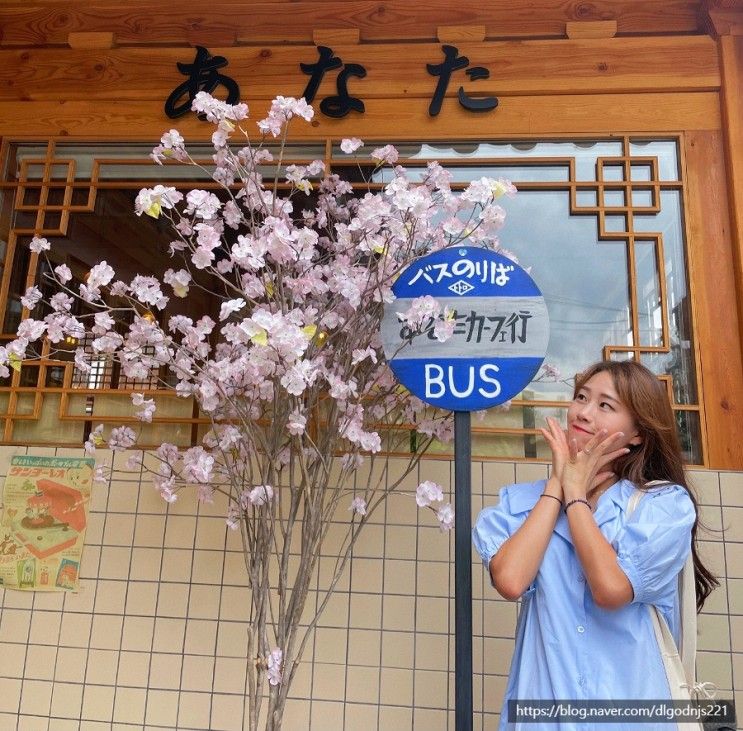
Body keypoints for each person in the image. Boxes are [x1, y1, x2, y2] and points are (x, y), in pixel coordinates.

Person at [472, 360, 718, 730]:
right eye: (581, 398)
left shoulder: (662, 506)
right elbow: (510, 580)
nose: (583, 413)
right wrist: (557, 485)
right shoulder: (522, 504)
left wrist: (575, 494)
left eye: (605, 405)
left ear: (637, 434)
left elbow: (611, 588)